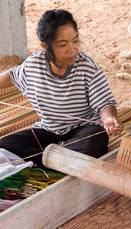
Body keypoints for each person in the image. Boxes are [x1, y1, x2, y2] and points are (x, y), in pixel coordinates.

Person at [0, 9, 123, 167]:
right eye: (63, 44)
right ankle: (59, 160)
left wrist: (108, 118)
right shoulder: (34, 65)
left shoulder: (87, 66)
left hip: (83, 131)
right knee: (5, 145)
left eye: (75, 40)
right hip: (49, 131)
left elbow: (104, 103)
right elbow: (11, 76)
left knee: (93, 141)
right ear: (45, 46)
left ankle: (47, 159)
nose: (72, 48)